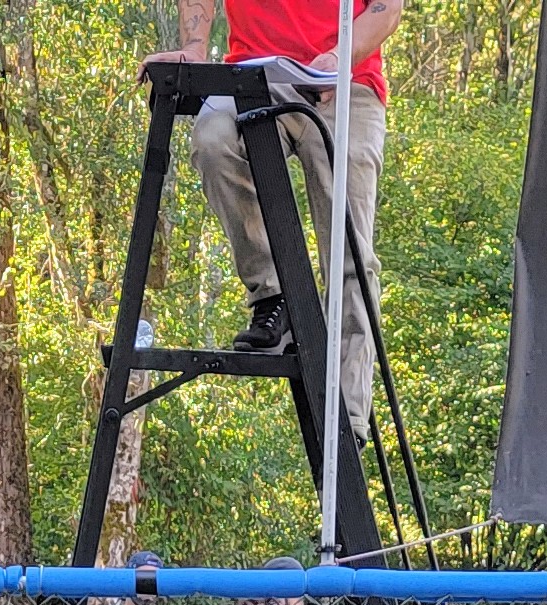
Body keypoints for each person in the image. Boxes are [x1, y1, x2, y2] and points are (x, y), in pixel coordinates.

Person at [160, 1, 401, 424]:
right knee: (213, 140)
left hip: (345, 81)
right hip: (254, 77)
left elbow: (386, 8)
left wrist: (339, 57)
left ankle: (348, 416)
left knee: (349, 251)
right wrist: (195, 48)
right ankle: (273, 294)